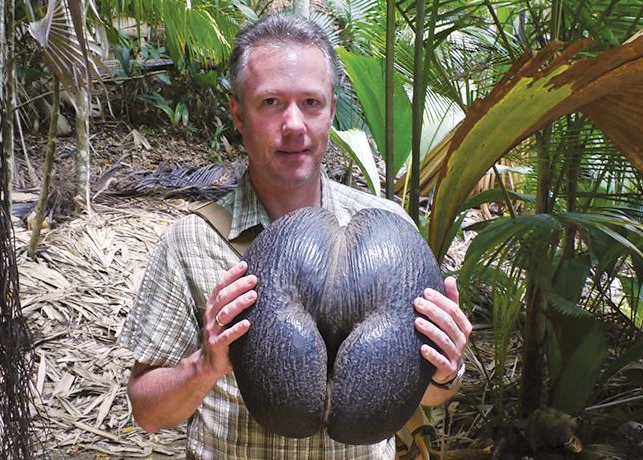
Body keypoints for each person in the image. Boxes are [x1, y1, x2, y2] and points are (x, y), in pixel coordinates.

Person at [117, 13, 472, 459]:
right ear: (239, 114)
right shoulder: (190, 242)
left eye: (310, 103)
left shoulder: (389, 227)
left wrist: (445, 368)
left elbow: (432, 395)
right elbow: (147, 412)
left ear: (331, 110)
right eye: (270, 102)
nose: (294, 125)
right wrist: (204, 365)